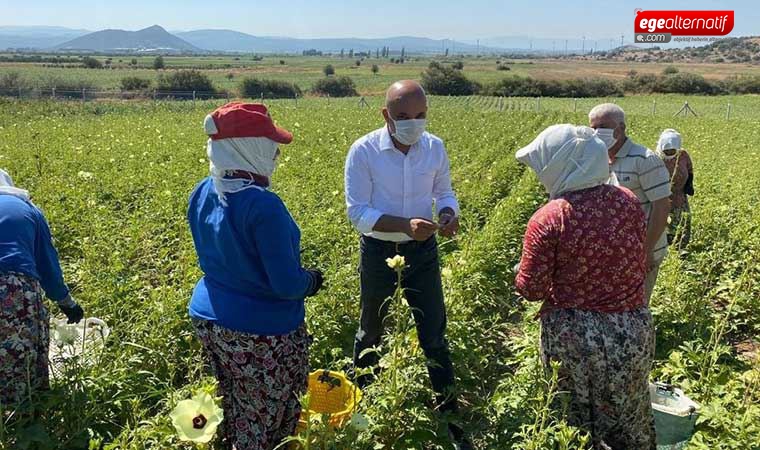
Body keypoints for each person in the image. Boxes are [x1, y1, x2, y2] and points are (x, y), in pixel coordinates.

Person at [187, 103, 324, 450]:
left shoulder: (203, 191)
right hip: (259, 332)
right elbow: (286, 285)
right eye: (269, 143)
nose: (276, 152)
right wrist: (312, 281)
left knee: (232, 397)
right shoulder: (265, 207)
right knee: (265, 415)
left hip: (210, 317)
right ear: (248, 148)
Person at [344, 80, 470, 447]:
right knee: (371, 331)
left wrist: (448, 213)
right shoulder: (364, 151)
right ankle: (359, 410)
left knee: (433, 333)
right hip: (379, 251)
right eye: (403, 117)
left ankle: (450, 416)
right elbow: (358, 213)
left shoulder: (434, 148)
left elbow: (444, 191)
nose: (413, 123)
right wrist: (403, 226)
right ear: (386, 115)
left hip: (423, 252)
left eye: (420, 116)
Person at [515, 124, 656, 450]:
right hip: (631, 328)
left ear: (561, 166)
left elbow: (531, 288)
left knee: (578, 425)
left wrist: (523, 271)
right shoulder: (628, 200)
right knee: (629, 419)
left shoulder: (550, 217)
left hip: (577, 338)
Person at [0, 169, 84, 406]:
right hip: (14, 287)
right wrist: (67, 303)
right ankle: (25, 416)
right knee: (21, 353)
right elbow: (48, 265)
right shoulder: (28, 211)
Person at [589, 103, 671, 304]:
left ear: (621, 128)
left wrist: (646, 250)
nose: (598, 132)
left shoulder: (644, 160)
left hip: (642, 249)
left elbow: (662, 207)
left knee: (636, 306)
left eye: (603, 126)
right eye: (593, 127)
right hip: (617, 250)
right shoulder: (598, 159)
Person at [656, 129, 694, 250]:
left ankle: (680, 249)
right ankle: (665, 249)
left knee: (682, 223)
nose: (670, 152)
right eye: (667, 151)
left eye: (672, 150)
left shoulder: (682, 155)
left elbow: (689, 168)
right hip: (662, 198)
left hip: (680, 196)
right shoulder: (655, 158)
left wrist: (689, 184)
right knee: (664, 226)